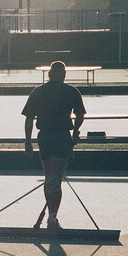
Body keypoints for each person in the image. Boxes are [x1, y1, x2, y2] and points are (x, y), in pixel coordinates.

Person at [22, 61, 86, 229]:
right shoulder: (72, 91)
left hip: (44, 137)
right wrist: (76, 132)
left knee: (49, 177)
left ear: (49, 74)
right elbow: (80, 115)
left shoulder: (38, 92)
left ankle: (51, 215)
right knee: (56, 178)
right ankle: (52, 217)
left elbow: (29, 118)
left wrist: (28, 141)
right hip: (61, 137)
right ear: (64, 75)